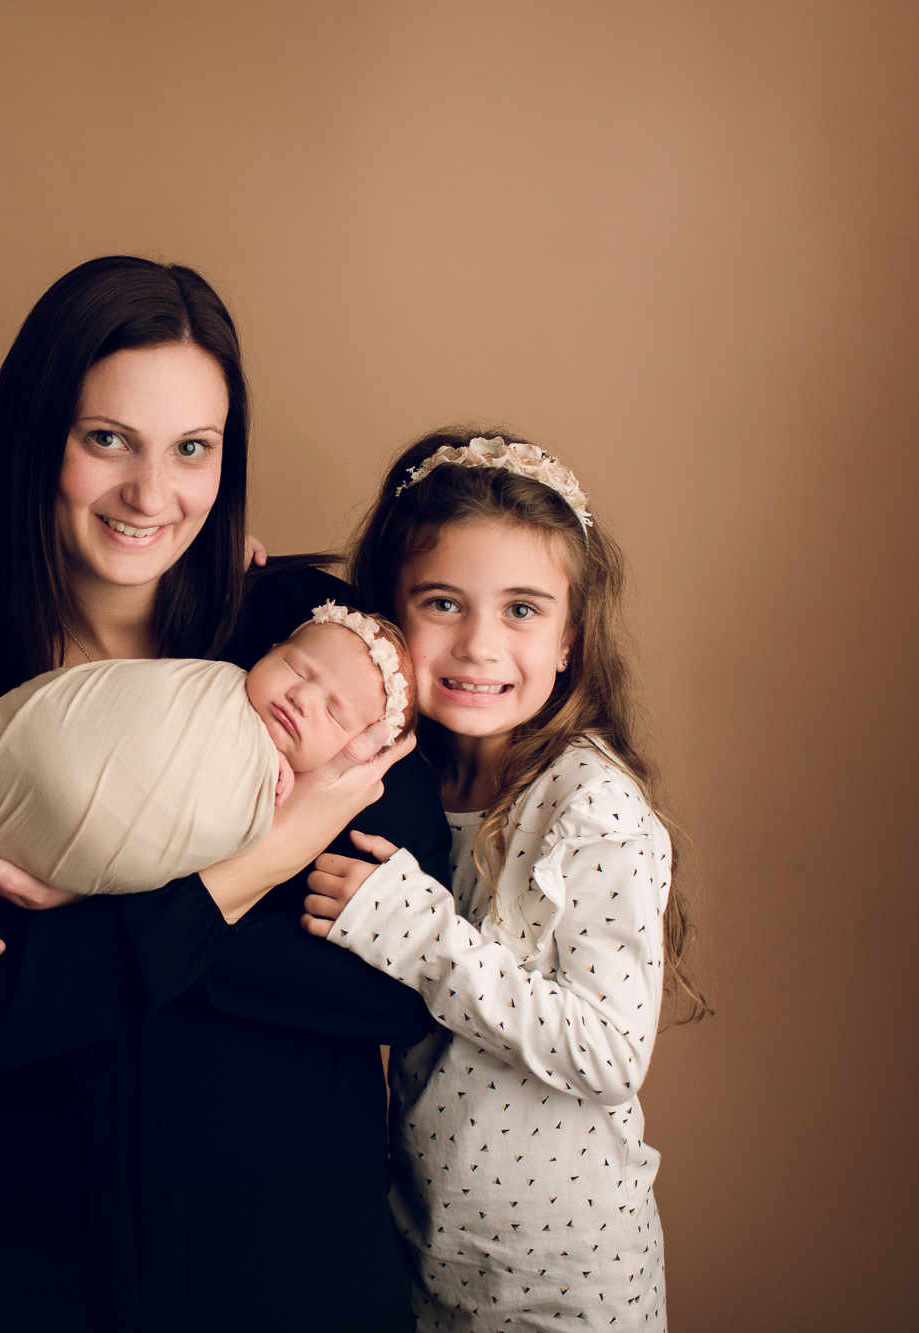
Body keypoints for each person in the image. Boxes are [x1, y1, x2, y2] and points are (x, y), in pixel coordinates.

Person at [0, 255, 451, 1329]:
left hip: (288, 1269)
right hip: (35, 1266)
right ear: (35, 441)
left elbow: (396, 982)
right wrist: (267, 863)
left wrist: (100, 915)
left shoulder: (312, 639)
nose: (150, 496)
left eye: (190, 449)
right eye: (105, 439)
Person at [302, 433, 707, 1331]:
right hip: (428, 1249)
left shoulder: (588, 803)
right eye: (442, 602)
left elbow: (609, 1052)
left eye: (522, 608)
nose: (479, 644)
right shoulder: (412, 777)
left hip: (563, 1277)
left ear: (571, 639)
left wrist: (423, 936)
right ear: (388, 617)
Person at [0, 602, 416, 895]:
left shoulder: (286, 793)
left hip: (70, 856)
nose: (303, 698)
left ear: (353, 748)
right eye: (296, 669)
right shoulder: (209, 682)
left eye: (334, 714)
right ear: (272, 649)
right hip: (16, 756)